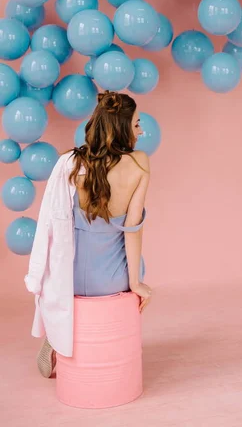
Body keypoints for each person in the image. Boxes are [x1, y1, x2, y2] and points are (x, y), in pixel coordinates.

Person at [25, 91, 152, 379]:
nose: (141, 131)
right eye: (136, 124)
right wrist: (136, 283)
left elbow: (54, 225)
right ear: (121, 129)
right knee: (135, 259)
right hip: (111, 281)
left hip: (66, 280)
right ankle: (81, 337)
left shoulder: (71, 164)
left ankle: (56, 335)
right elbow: (133, 229)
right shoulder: (140, 163)